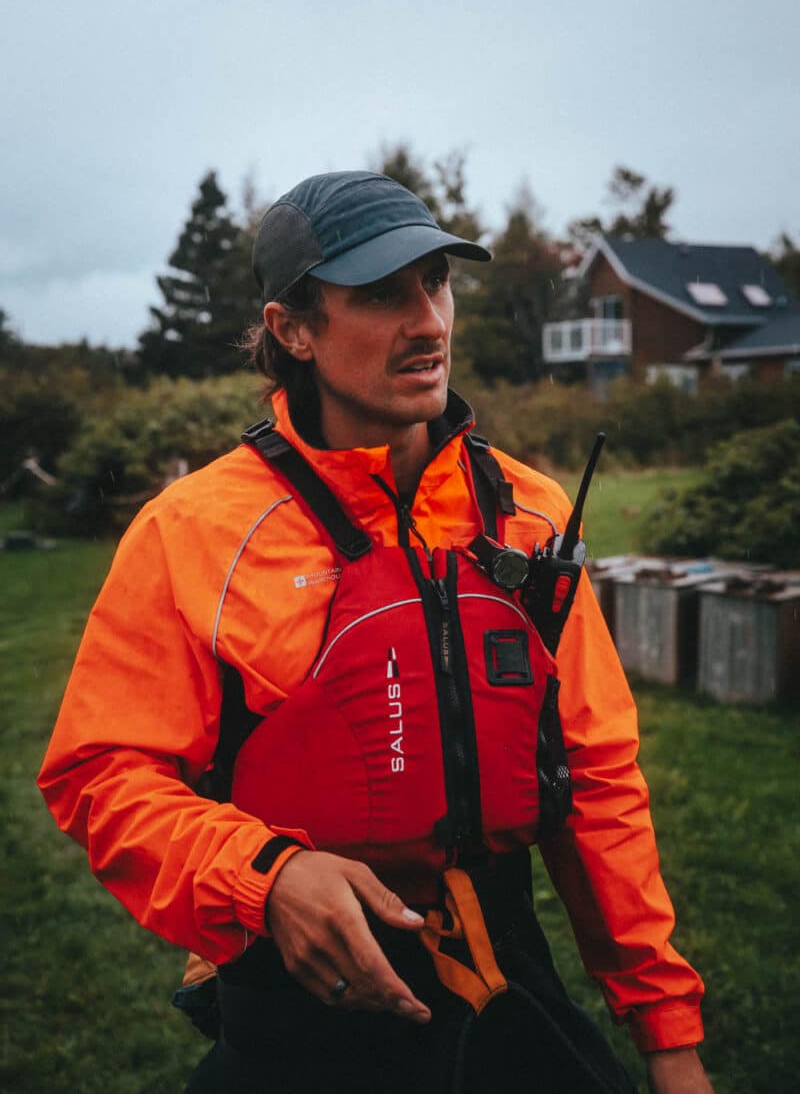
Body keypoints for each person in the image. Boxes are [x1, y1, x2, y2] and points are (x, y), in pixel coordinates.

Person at [38, 171, 714, 1093]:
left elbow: (595, 777)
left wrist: (669, 1040)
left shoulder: (526, 515)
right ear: (293, 329)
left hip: (510, 995)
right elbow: (100, 775)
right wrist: (265, 878)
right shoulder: (191, 532)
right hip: (299, 1021)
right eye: (382, 295)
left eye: (437, 283)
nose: (429, 321)